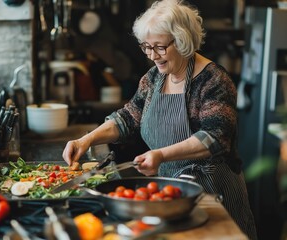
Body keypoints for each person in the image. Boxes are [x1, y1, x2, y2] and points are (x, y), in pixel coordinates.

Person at [62, 0, 257, 239]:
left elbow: (214, 138)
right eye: (146, 47)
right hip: (170, 194)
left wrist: (162, 154)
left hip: (212, 194)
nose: (153, 55)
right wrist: (86, 140)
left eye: (160, 47)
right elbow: (127, 118)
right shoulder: (154, 78)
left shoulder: (213, 80)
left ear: (183, 41)